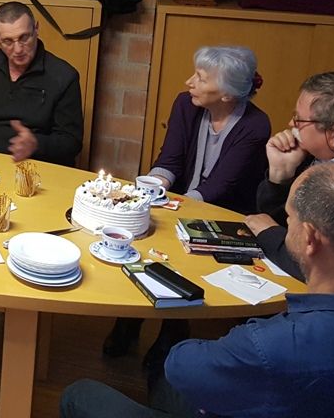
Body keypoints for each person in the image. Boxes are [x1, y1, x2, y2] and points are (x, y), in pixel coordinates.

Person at [61, 162, 334, 418]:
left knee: (80, 394)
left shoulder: (271, 344)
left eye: (288, 219)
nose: (284, 227)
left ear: (309, 238)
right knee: (165, 383)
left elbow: (181, 364)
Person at [104, 47, 271, 361]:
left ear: (227, 94)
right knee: (144, 238)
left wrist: (174, 209)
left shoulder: (256, 125)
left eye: (201, 78)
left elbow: (221, 186)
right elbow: (170, 160)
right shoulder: (186, 103)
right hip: (180, 200)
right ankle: (129, 318)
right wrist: (152, 190)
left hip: (224, 215)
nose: (189, 82)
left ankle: (174, 329)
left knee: (182, 253)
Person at [245, 71, 334, 281]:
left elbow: (322, 267)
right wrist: (280, 175)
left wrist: (269, 234)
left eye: (299, 119)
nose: (291, 124)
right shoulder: (316, 155)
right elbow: (285, 221)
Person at [0, 1, 83, 166]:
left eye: (24, 38)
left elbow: (71, 142)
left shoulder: (63, 76)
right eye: (8, 41)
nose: (18, 49)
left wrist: (36, 144)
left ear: (36, 29)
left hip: (37, 166)